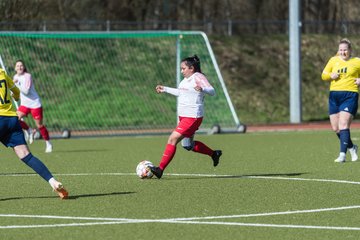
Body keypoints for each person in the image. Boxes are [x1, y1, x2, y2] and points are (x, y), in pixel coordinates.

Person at [0, 67, 68, 199]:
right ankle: (53, 182)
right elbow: (16, 92)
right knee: (27, 155)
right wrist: (14, 96)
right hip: (12, 120)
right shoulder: (2, 72)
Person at [150, 55, 222, 179]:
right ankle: (214, 153)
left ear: (191, 68)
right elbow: (180, 92)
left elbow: (212, 91)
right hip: (184, 117)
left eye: (183, 68)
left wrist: (202, 89)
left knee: (172, 139)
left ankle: (160, 169)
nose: (182, 71)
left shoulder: (198, 77)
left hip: (192, 117)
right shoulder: (185, 80)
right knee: (188, 145)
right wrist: (165, 89)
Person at [321, 38, 360, 163]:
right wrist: (330, 76)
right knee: (336, 128)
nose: (343, 52)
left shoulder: (356, 61)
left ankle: (342, 155)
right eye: (340, 50)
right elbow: (324, 74)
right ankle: (352, 147)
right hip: (334, 96)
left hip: (350, 95)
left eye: (345, 50)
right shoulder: (333, 60)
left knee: (343, 124)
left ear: (350, 50)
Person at [13, 59, 53, 153]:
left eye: (21, 65)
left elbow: (26, 91)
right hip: (25, 105)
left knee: (39, 125)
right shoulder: (15, 76)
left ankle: (48, 143)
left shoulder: (28, 76)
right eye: (18, 66)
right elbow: (15, 91)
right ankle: (29, 130)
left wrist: (16, 84)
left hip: (35, 104)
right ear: (15, 68)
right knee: (14, 118)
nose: (19, 67)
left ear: (24, 67)